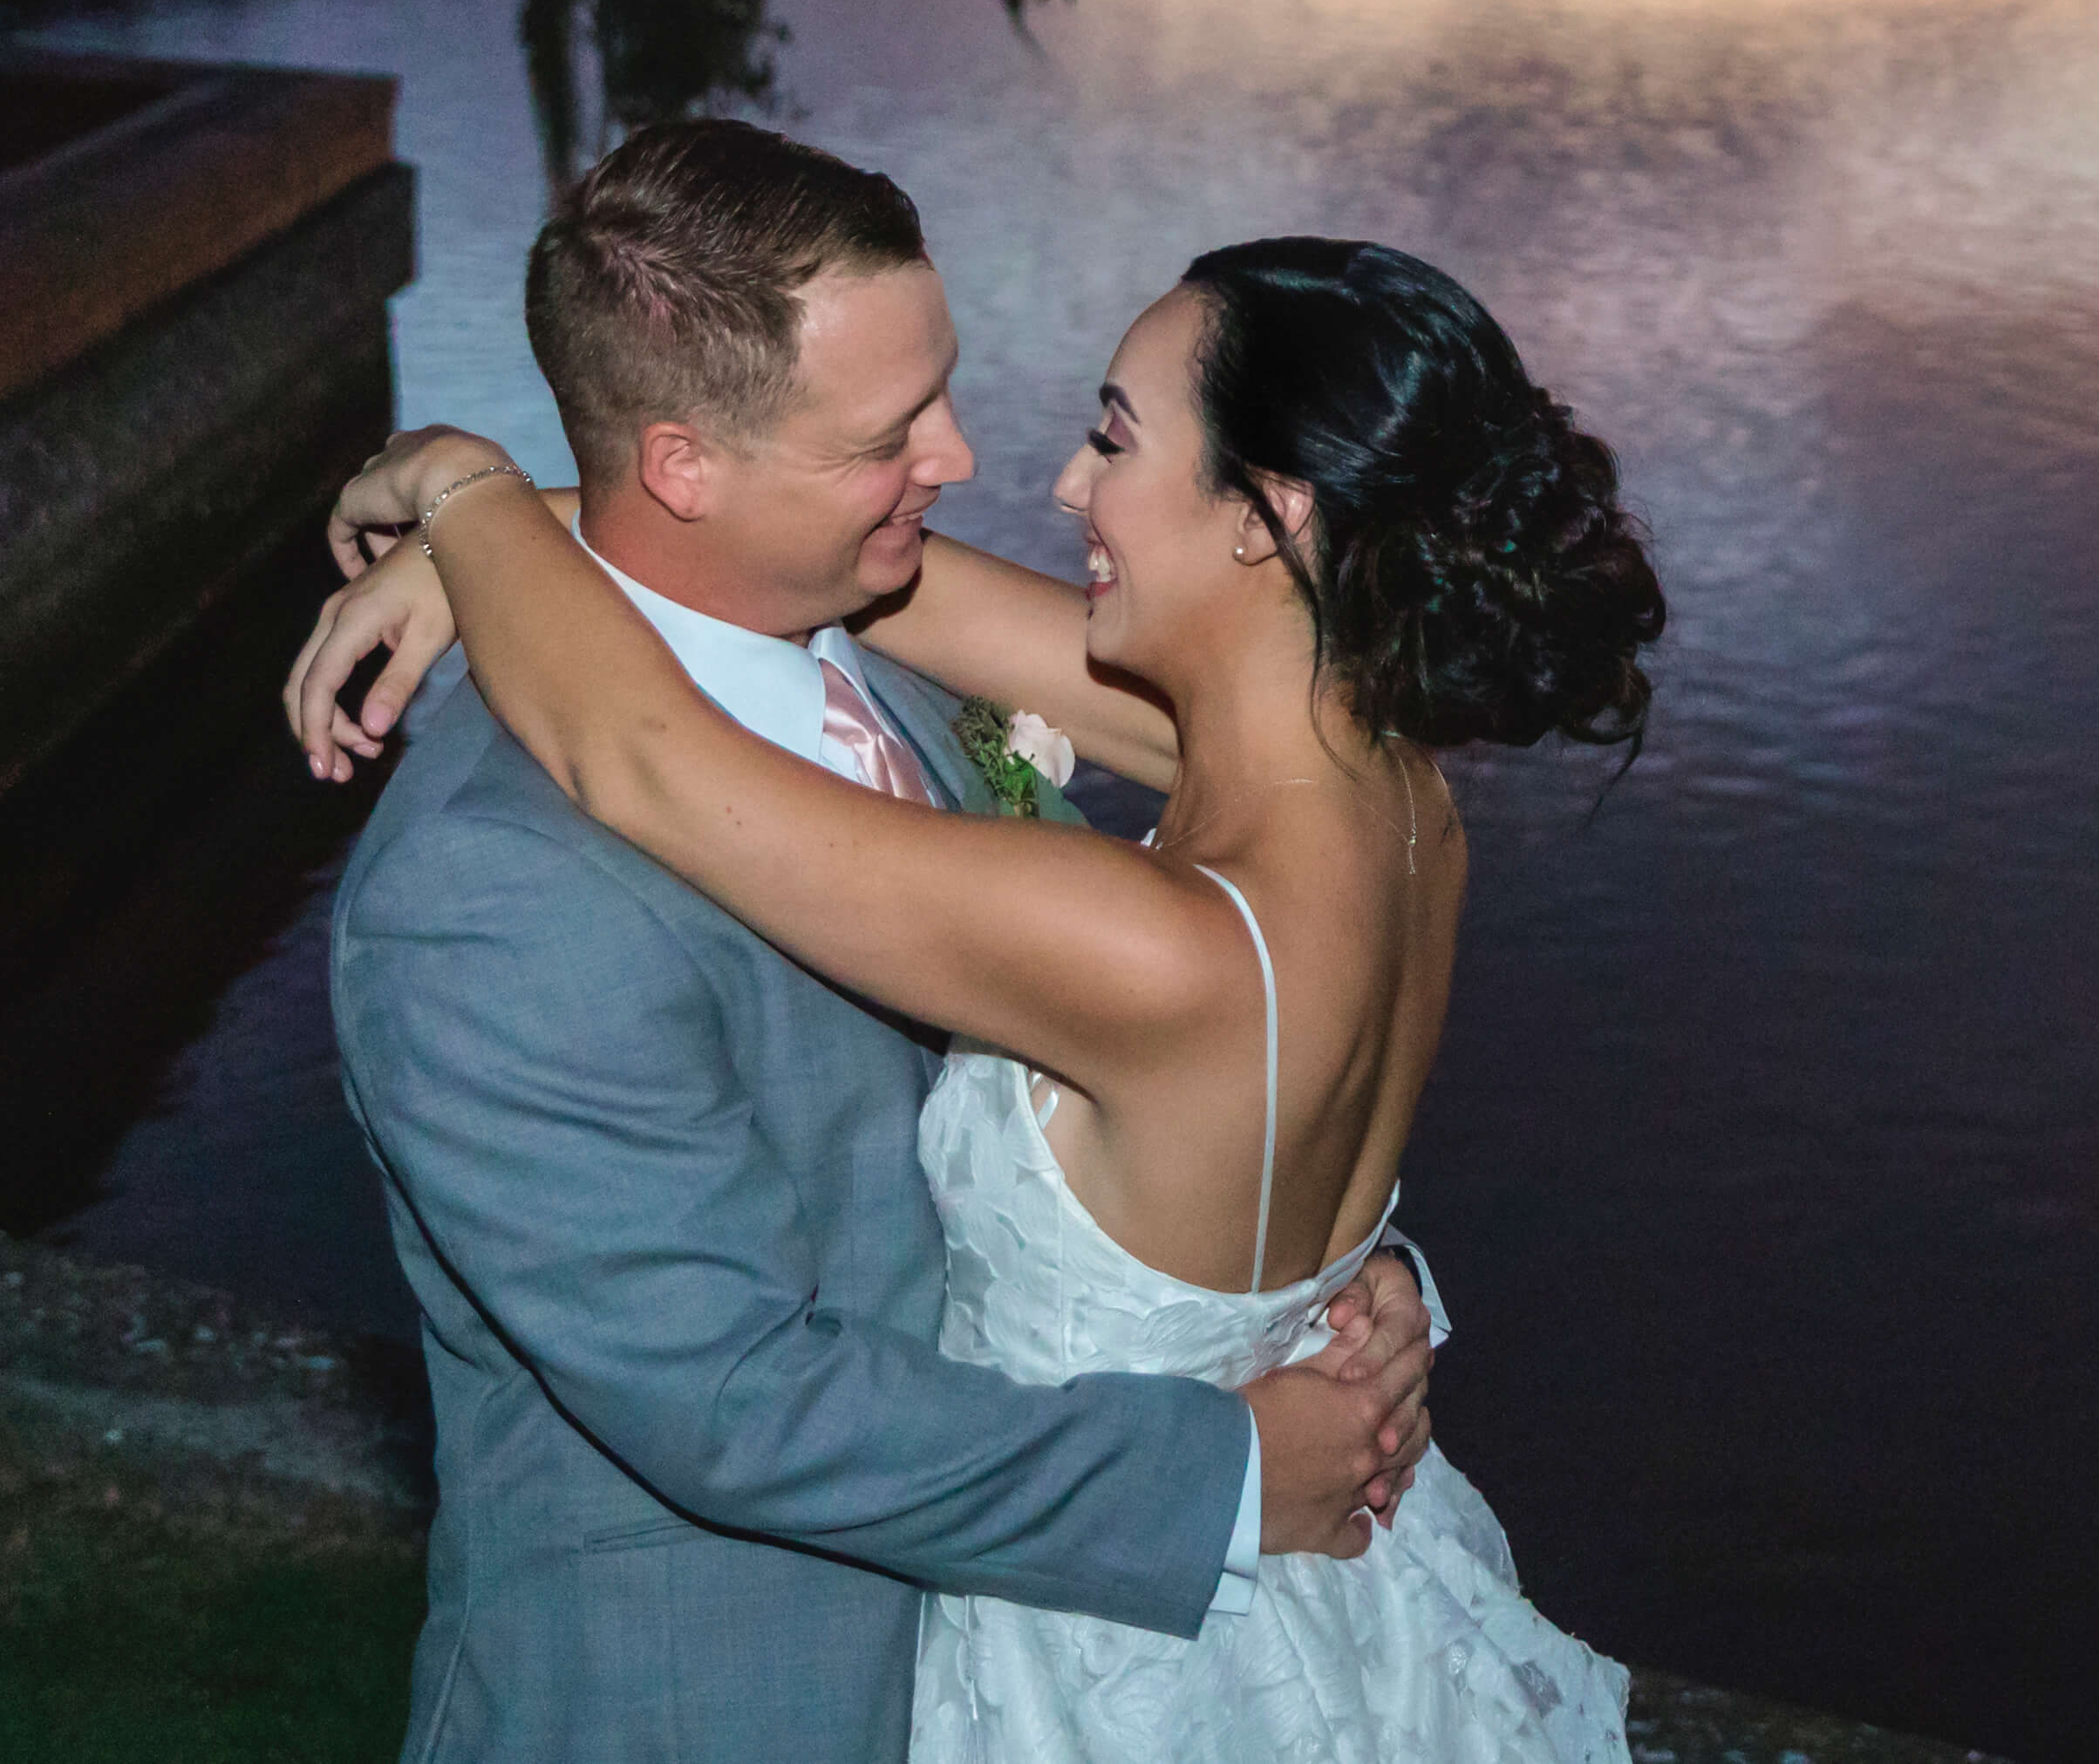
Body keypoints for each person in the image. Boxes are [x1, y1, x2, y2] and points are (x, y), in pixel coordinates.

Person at [293, 160, 1668, 1764]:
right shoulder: (1386, 786)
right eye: (890, 435)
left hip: (1097, 1654)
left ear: (1268, 517)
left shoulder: (1165, 930)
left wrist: (464, 492)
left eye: (1113, 435)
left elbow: (649, 757)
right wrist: (536, 529)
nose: (1016, 472)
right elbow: (739, 1390)